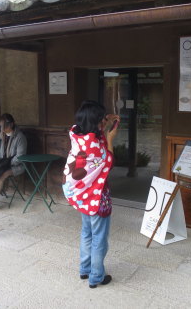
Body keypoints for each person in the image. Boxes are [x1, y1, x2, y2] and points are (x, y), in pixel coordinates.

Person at [62, 100, 120, 289]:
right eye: (102, 120)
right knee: (99, 239)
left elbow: (95, 136)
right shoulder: (95, 147)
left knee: (86, 233)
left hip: (80, 195)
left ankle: (84, 269)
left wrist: (106, 119)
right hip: (95, 198)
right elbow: (107, 162)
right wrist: (111, 139)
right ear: (97, 122)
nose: (104, 123)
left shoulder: (76, 133)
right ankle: (96, 277)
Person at [0, 113, 27, 213]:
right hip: (1, 164)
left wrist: (7, 163)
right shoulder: (0, 135)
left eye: (4, 127)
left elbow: (20, 157)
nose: (2, 129)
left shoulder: (20, 137)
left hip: (16, 166)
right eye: (0, 127)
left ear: (11, 124)